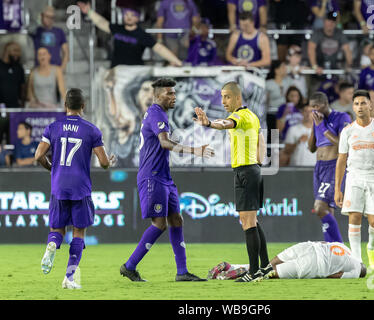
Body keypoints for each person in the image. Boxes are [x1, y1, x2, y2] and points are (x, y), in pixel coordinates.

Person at [120, 78, 214, 282]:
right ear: (158, 95)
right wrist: (195, 151)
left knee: (176, 220)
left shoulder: (160, 114)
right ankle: (129, 266)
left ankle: (182, 272)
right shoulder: (156, 113)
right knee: (160, 224)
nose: (174, 97)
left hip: (163, 177)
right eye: (169, 93)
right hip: (152, 176)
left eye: (174, 93)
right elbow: (164, 142)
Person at [35, 88, 116, 289]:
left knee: (57, 229)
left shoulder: (53, 127)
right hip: (80, 187)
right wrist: (109, 163)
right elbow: (104, 162)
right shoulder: (92, 130)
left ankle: (53, 244)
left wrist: (51, 168)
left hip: (59, 185)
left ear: (65, 106)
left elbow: (38, 156)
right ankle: (69, 278)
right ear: (83, 106)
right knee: (79, 232)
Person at [193, 81, 272, 282]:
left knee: (247, 222)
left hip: (245, 171)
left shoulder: (240, 116)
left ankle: (254, 272)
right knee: (251, 221)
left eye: (227, 96)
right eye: (222, 97)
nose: (223, 101)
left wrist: (210, 124)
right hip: (252, 170)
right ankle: (264, 266)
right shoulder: (252, 116)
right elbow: (259, 141)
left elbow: (226, 123)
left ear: (238, 98)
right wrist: (258, 165)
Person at [335, 89, 374, 269]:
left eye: (363, 103)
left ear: (370, 105)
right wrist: (338, 188)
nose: (359, 107)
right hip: (354, 177)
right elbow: (341, 160)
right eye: (356, 104)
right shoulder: (347, 131)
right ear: (353, 107)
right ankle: (357, 261)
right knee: (354, 216)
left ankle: (371, 248)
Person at [77, 2, 182, 68]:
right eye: (126, 14)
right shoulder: (118, 29)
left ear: (137, 18)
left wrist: (176, 61)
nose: (129, 17)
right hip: (117, 71)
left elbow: (159, 48)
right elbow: (101, 22)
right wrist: (89, 12)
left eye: (132, 15)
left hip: (134, 72)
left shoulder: (142, 34)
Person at [307, 92, 352, 244]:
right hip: (319, 167)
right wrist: (314, 127)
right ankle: (333, 250)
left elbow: (342, 145)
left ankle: (339, 246)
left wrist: (322, 127)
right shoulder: (317, 120)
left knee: (319, 208)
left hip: (333, 166)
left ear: (325, 104)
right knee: (327, 210)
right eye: (311, 107)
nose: (314, 110)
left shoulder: (342, 118)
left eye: (316, 106)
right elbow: (311, 148)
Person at [208, 241, 367, 280]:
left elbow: (324, 243)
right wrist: (322, 274)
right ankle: (235, 274)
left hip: (307, 246)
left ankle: (230, 266)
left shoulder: (344, 247)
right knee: (268, 274)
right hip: (314, 264)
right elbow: (337, 275)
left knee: (266, 265)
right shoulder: (356, 271)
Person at [0, 41, 25, 144]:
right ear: (6, 50)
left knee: (13, 141)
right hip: (0, 111)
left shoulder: (19, 68)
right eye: (15, 50)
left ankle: (12, 160)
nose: (17, 54)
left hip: (14, 110)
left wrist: (22, 104)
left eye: (18, 51)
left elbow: (23, 88)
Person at [31, 6, 69, 72]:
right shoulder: (36, 31)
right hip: (40, 69)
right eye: (47, 16)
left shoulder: (59, 31)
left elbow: (66, 51)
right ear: (42, 16)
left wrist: (62, 68)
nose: (49, 19)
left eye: (52, 17)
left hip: (55, 68)